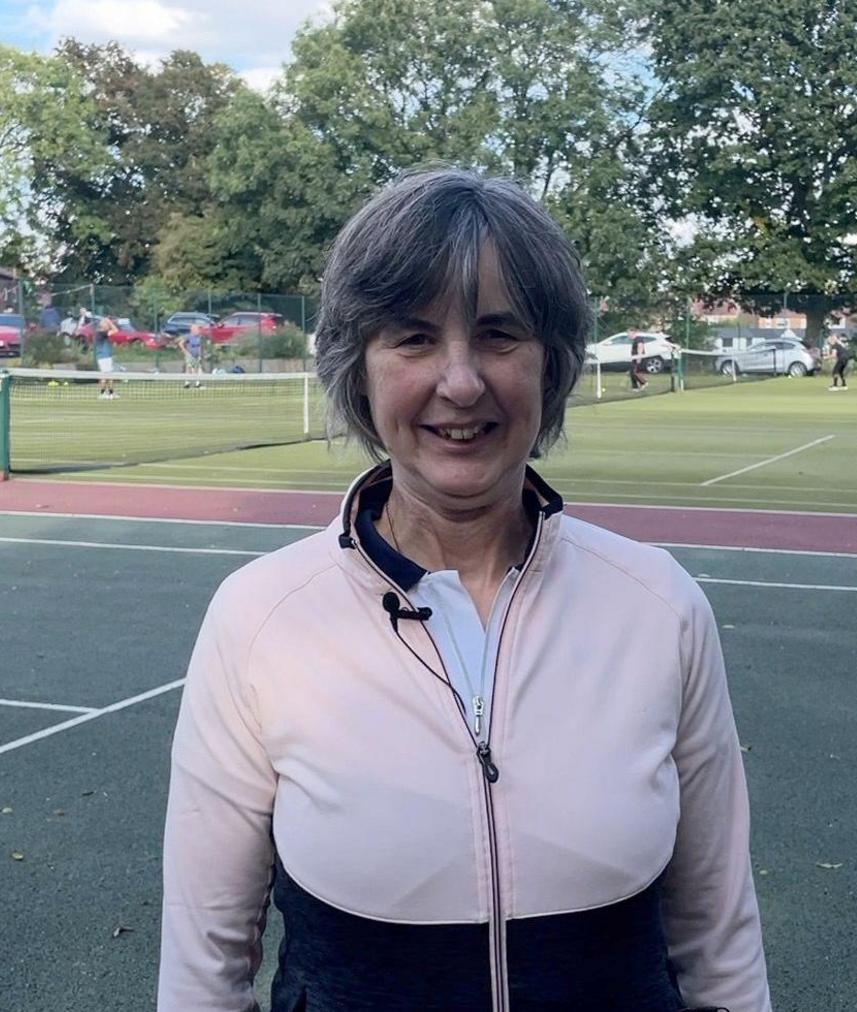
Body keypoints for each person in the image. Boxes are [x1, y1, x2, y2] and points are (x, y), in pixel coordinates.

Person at [158, 170, 771, 1012]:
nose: (460, 382)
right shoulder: (259, 618)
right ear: (359, 370)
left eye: (499, 335)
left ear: (552, 365)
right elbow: (205, 960)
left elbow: (719, 943)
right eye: (412, 338)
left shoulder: (659, 608)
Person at [94, 317, 119, 400]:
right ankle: (103, 393)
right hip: (103, 357)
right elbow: (116, 330)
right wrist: (110, 323)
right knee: (105, 376)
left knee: (109, 376)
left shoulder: (101, 333)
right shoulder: (101, 333)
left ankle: (111, 393)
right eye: (106, 324)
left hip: (106, 357)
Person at [179, 320, 207, 388]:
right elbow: (180, 343)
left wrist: (201, 355)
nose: (198, 330)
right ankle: (187, 383)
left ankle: (197, 383)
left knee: (196, 369)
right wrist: (185, 352)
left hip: (196, 356)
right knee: (189, 368)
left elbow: (200, 346)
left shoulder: (199, 337)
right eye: (197, 329)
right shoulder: (188, 336)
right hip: (190, 355)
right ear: (192, 330)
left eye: (198, 329)